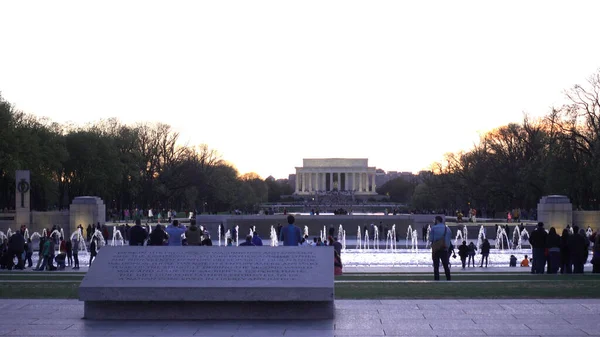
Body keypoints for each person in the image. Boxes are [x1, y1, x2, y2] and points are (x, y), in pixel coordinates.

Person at [428, 215, 452, 281]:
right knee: (446, 265)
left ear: (437, 220)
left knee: (436, 266)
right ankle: (448, 279)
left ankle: (437, 279)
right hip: (444, 249)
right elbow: (449, 239)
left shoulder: (434, 228)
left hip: (436, 249)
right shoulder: (447, 229)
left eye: (435, 220)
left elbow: (430, 239)